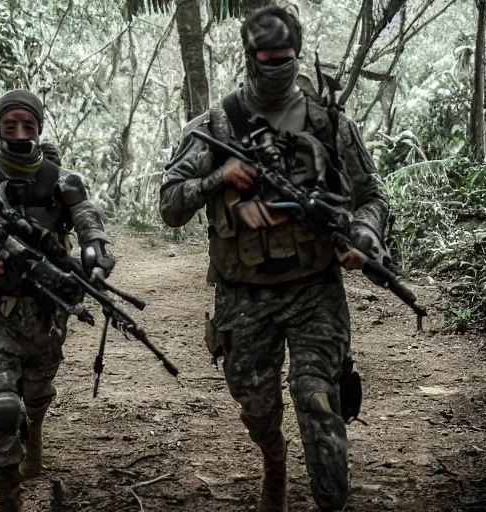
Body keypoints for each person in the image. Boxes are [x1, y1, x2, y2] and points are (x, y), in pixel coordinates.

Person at [159, 5, 390, 512]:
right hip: (242, 295)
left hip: (315, 290)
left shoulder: (328, 124)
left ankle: (331, 501)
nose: (278, 69)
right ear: (248, 58)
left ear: (298, 55)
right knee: (257, 408)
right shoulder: (216, 125)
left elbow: (372, 195)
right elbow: (170, 204)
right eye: (268, 60)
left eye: (286, 60)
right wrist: (219, 178)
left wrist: (364, 234)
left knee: (318, 400)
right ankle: (273, 458)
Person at [0, 89, 114, 512]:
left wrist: (96, 258)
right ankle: (8, 497)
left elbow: (91, 230)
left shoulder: (63, 182)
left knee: (37, 390)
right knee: (1, 404)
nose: (19, 133)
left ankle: (37, 434)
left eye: (28, 125)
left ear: (40, 129)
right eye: (10, 124)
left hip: (47, 312)